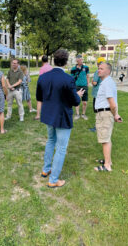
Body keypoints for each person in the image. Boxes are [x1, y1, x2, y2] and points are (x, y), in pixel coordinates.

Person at [36, 49, 84, 188]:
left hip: (49, 114)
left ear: (53, 60)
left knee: (51, 141)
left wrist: (74, 96)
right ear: (66, 61)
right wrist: (78, 95)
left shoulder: (43, 77)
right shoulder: (68, 79)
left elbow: (39, 97)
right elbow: (75, 101)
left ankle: (46, 170)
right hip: (61, 116)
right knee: (61, 147)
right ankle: (53, 179)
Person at [94, 62, 122, 172]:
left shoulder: (107, 83)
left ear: (108, 71)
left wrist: (115, 115)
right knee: (106, 138)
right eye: (98, 68)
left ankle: (107, 166)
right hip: (104, 113)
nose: (98, 70)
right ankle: (108, 160)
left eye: (101, 69)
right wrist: (116, 114)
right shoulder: (106, 82)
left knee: (105, 140)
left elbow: (112, 103)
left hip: (104, 114)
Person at [71, 54, 89, 120]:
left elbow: (88, 76)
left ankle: (83, 114)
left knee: (85, 102)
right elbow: (72, 78)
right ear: (77, 60)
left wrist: (87, 84)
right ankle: (77, 114)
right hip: (76, 86)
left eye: (82, 59)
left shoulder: (86, 67)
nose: (81, 60)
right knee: (77, 101)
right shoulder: (73, 69)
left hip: (84, 86)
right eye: (80, 59)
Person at [89, 57, 106, 132]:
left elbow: (95, 83)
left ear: (98, 63)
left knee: (98, 112)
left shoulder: (98, 71)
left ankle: (97, 127)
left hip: (97, 94)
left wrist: (92, 81)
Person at [34, 55, 53, 120]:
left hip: (42, 85)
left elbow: (40, 78)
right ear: (47, 60)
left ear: (42, 61)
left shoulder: (42, 68)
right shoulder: (51, 67)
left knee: (39, 100)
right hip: (50, 85)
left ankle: (38, 115)